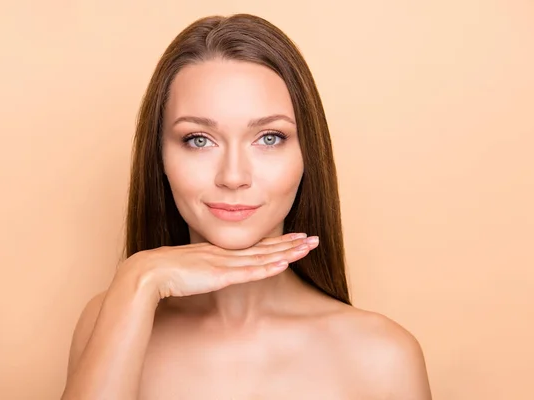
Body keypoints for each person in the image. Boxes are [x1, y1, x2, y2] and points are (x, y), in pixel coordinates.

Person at [61, 13, 432, 400]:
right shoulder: (116, 316)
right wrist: (138, 278)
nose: (233, 176)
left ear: (308, 154)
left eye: (269, 138)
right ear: (160, 158)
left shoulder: (383, 356)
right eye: (199, 140)